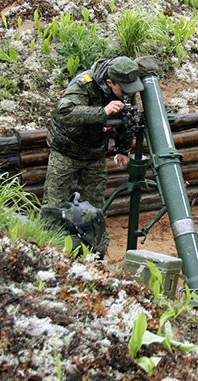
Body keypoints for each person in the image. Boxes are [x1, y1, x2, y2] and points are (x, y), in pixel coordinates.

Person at [42, 56, 145, 257]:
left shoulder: (125, 87)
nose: (129, 94)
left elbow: (128, 119)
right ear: (109, 82)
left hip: (95, 153)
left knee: (97, 208)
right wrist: (102, 112)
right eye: (124, 90)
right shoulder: (84, 84)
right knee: (53, 206)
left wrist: (122, 150)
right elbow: (64, 113)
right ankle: (49, 253)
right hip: (66, 151)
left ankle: (95, 254)